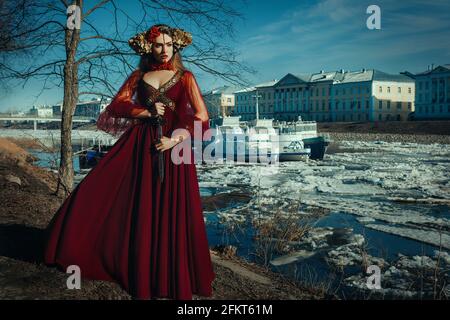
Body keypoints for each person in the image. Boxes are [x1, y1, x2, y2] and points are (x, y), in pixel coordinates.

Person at [44, 24, 215, 300]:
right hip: (140, 147)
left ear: (176, 46)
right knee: (115, 195)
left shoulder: (186, 77)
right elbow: (117, 105)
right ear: (149, 47)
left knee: (170, 209)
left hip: (174, 151)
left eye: (169, 44)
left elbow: (201, 116)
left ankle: (170, 274)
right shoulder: (139, 76)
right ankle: (89, 249)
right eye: (158, 45)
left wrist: (175, 139)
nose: (164, 50)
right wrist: (144, 111)